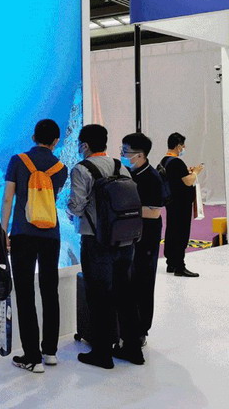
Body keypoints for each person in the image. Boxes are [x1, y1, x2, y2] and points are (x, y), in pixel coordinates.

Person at [67, 124, 144, 369]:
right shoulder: (121, 166)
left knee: (99, 296)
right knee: (126, 294)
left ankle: (102, 353)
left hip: (97, 241)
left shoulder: (82, 169)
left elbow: (76, 205)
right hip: (125, 239)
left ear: (85, 145)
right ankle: (133, 349)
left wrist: (70, 211)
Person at [1, 119, 67, 373]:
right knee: (50, 291)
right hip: (51, 234)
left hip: (23, 233)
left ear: (33, 137)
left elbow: (8, 199)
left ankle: (32, 357)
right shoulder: (61, 168)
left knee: (25, 293)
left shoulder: (18, 161)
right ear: (56, 141)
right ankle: (50, 351)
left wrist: (3, 231)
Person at [121, 132, 165, 345]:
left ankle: (141, 331)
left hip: (146, 238)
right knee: (129, 282)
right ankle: (128, 327)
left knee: (144, 282)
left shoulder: (152, 178)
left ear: (140, 155)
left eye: (125, 151)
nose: (122, 155)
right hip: (130, 236)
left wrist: (125, 210)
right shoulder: (128, 173)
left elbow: (154, 212)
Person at [161, 132, 204, 278]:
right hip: (181, 204)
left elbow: (177, 178)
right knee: (181, 233)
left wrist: (188, 172)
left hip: (171, 202)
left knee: (171, 231)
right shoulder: (177, 162)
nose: (184, 148)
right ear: (178, 146)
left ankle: (171, 263)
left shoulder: (164, 161)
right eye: (183, 145)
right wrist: (196, 172)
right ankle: (180, 265)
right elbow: (188, 181)